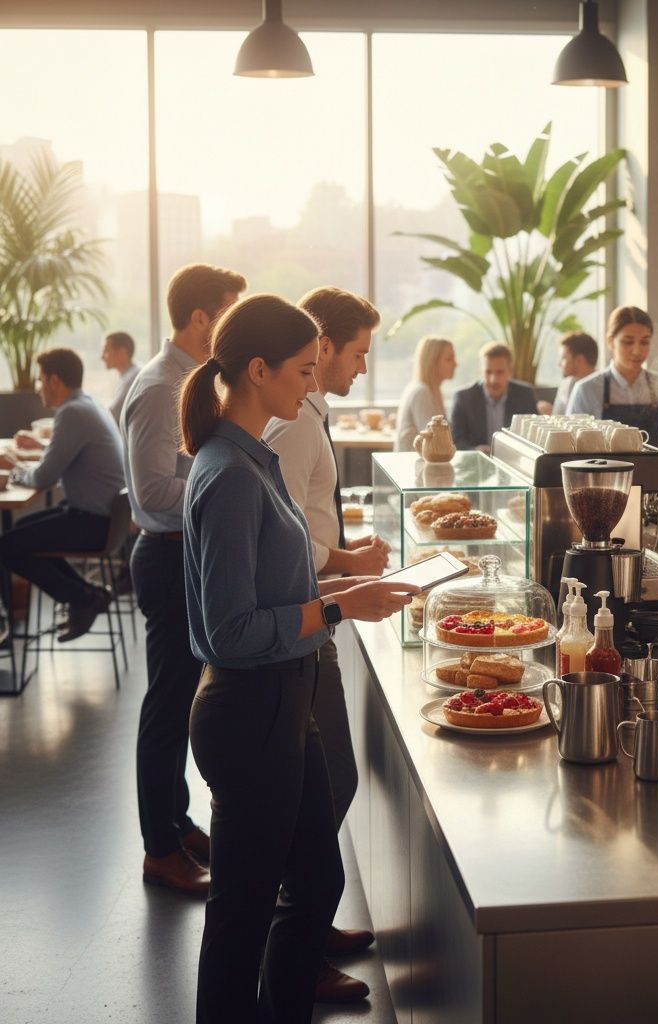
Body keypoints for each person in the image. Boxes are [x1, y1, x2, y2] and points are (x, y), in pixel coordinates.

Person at [181, 293, 417, 1023]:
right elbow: (232, 630)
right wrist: (342, 606)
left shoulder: (254, 459)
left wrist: (351, 587)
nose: (314, 384)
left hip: (286, 700)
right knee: (241, 917)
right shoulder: (228, 474)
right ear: (259, 371)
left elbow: (283, 586)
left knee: (316, 880)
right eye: (305, 370)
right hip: (250, 709)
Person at [264, 286, 391, 1005]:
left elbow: (301, 523)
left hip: (319, 603)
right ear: (323, 346)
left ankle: (307, 924)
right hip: (306, 620)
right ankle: (299, 936)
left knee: (327, 782)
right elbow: (280, 541)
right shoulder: (295, 426)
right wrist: (343, 572)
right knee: (330, 780)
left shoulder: (311, 416)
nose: (361, 368)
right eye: (357, 354)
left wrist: (345, 556)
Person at [122, 262, 246, 896]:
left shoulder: (188, 379)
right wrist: (218, 484)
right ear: (202, 318)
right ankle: (160, 849)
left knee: (177, 701)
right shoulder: (158, 387)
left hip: (182, 553)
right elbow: (150, 492)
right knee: (167, 708)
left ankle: (176, 823)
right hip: (165, 555)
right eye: (226, 314)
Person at [0, 348, 124, 641]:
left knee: (6, 547)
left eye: (41, 380)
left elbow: (45, 476)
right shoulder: (87, 404)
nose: (39, 388)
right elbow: (61, 458)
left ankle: (83, 598)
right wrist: (33, 455)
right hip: (106, 518)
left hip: (93, 523)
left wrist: (13, 469)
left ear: (54, 381)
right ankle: (88, 594)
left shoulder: (72, 413)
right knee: (20, 531)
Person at [566, 306, 658, 450]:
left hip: (656, 465)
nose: (637, 351)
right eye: (628, 342)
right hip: (603, 466)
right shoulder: (587, 390)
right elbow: (572, 445)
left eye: (644, 342)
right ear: (610, 341)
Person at [449, 341, 537, 451]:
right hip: (477, 459)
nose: (493, 379)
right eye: (488, 372)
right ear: (481, 371)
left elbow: (534, 439)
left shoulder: (525, 395)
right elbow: (456, 442)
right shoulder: (463, 398)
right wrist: (476, 451)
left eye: (500, 372)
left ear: (510, 371)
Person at [394, 335, 457, 451]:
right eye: (449, 359)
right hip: (412, 460)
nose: (455, 364)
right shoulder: (421, 392)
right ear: (432, 362)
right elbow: (436, 440)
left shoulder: (432, 390)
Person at [539, 331, 598, 416]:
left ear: (579, 360)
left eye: (563, 358)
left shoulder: (602, 387)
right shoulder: (566, 384)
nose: (559, 364)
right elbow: (559, 416)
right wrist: (549, 414)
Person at [102, 331, 140, 424]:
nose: (102, 357)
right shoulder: (128, 374)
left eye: (106, 351)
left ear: (122, 352)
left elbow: (113, 414)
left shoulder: (132, 378)